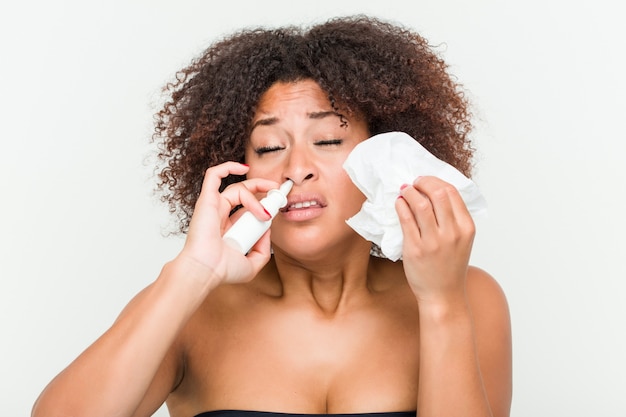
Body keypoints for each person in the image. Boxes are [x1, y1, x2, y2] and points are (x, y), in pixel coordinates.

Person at [32, 15, 512, 417]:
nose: (296, 169)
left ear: (387, 158)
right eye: (269, 147)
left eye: (326, 141)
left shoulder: (469, 297)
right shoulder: (191, 309)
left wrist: (441, 304)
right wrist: (191, 274)